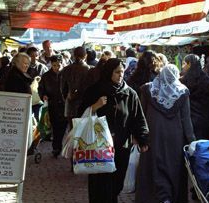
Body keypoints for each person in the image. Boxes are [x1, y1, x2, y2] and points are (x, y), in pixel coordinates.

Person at [79, 58, 149, 203]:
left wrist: (142, 138)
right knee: (99, 184)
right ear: (108, 72)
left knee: (117, 183)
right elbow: (80, 115)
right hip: (98, 146)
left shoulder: (130, 94)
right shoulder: (94, 91)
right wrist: (95, 106)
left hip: (121, 146)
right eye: (117, 72)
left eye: (122, 72)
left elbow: (138, 118)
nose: (120, 75)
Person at [136, 64, 195, 203]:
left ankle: (154, 197)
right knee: (172, 166)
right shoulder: (182, 92)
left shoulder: (148, 89)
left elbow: (141, 114)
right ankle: (168, 197)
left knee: (154, 166)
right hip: (174, 137)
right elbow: (186, 119)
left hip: (153, 135)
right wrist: (192, 140)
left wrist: (139, 135)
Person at [180, 54, 209, 140]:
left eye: (184, 63)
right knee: (203, 149)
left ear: (189, 64)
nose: (182, 66)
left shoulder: (182, 81)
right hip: (204, 120)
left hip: (186, 120)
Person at [38, 55, 67, 157]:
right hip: (52, 105)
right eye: (54, 65)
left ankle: (58, 145)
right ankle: (56, 147)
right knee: (55, 127)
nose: (56, 67)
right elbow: (41, 88)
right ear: (51, 64)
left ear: (62, 64)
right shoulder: (46, 76)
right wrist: (44, 95)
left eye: (58, 65)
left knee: (63, 127)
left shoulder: (66, 74)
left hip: (64, 105)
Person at [61, 46, 94, 127]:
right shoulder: (90, 70)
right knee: (84, 135)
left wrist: (68, 98)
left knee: (73, 133)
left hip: (70, 106)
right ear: (86, 55)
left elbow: (62, 89)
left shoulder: (66, 69)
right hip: (86, 107)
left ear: (73, 55)